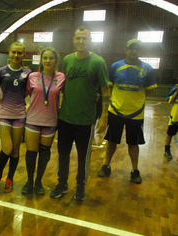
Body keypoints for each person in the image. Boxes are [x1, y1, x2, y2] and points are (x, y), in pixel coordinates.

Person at [50, 26, 110, 201]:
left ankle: (80, 187)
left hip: (85, 120)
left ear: (89, 40)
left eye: (84, 38)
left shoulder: (98, 62)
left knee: (83, 156)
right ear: (74, 40)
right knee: (63, 154)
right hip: (66, 118)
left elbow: (105, 91)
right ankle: (62, 184)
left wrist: (104, 116)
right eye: (78, 38)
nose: (81, 41)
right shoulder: (67, 60)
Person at [97, 39, 157, 184]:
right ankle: (106, 166)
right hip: (116, 112)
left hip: (136, 114)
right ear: (126, 49)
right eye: (131, 48)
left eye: (137, 49)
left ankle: (135, 171)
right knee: (111, 141)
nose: (134, 51)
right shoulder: (115, 67)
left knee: (133, 144)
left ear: (140, 51)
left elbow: (150, 90)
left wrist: (136, 100)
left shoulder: (147, 69)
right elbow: (109, 87)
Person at [21, 47, 65, 195]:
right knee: (31, 152)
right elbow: (23, 94)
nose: (48, 61)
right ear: (41, 60)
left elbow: (70, 94)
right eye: (45, 58)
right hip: (33, 119)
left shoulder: (61, 77)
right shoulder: (32, 76)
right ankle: (29, 181)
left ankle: (38, 181)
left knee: (44, 152)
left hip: (51, 121)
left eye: (51, 58)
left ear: (56, 60)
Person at [0, 41, 31, 192]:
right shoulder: (1, 71)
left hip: (20, 115)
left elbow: (32, 92)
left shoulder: (28, 73)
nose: (16, 55)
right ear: (9, 53)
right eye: (13, 52)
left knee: (15, 151)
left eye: (19, 53)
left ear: (23, 55)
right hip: (4, 115)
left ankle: (10, 178)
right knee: (7, 148)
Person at [164, 83, 178, 160]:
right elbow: (169, 101)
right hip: (175, 117)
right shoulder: (175, 88)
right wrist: (176, 92)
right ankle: (167, 150)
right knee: (170, 134)